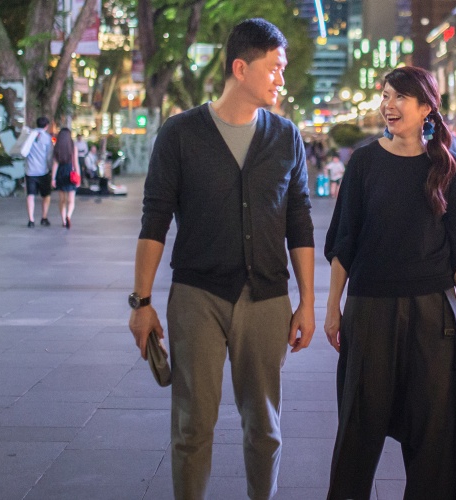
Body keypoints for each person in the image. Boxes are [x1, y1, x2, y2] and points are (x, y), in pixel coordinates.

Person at [130, 18, 315, 500]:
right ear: (240, 67)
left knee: (266, 428)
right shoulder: (181, 133)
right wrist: (141, 301)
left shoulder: (285, 137)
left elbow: (300, 221)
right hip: (198, 298)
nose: (281, 78)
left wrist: (309, 302)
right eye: (274, 68)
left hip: (268, 298)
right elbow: (155, 219)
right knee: (192, 428)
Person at [323, 66, 456, 500]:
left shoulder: (446, 165)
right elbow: (344, 240)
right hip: (370, 308)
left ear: (426, 106)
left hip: (433, 312)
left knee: (433, 434)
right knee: (358, 424)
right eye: (386, 96)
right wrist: (333, 305)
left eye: (399, 98)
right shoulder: (364, 163)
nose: (388, 106)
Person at [24, 117, 55, 227]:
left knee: (30, 195)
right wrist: (51, 168)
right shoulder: (47, 138)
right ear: (46, 126)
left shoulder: (29, 136)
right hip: (43, 171)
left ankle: (31, 220)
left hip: (30, 171)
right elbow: (49, 156)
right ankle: (44, 217)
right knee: (46, 195)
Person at [52, 127, 79, 228]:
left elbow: (55, 164)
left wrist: (53, 178)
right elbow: (75, 163)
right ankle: (68, 216)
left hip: (60, 174)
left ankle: (63, 220)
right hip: (70, 174)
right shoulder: (73, 147)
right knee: (71, 201)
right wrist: (78, 175)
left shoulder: (57, 147)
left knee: (62, 200)